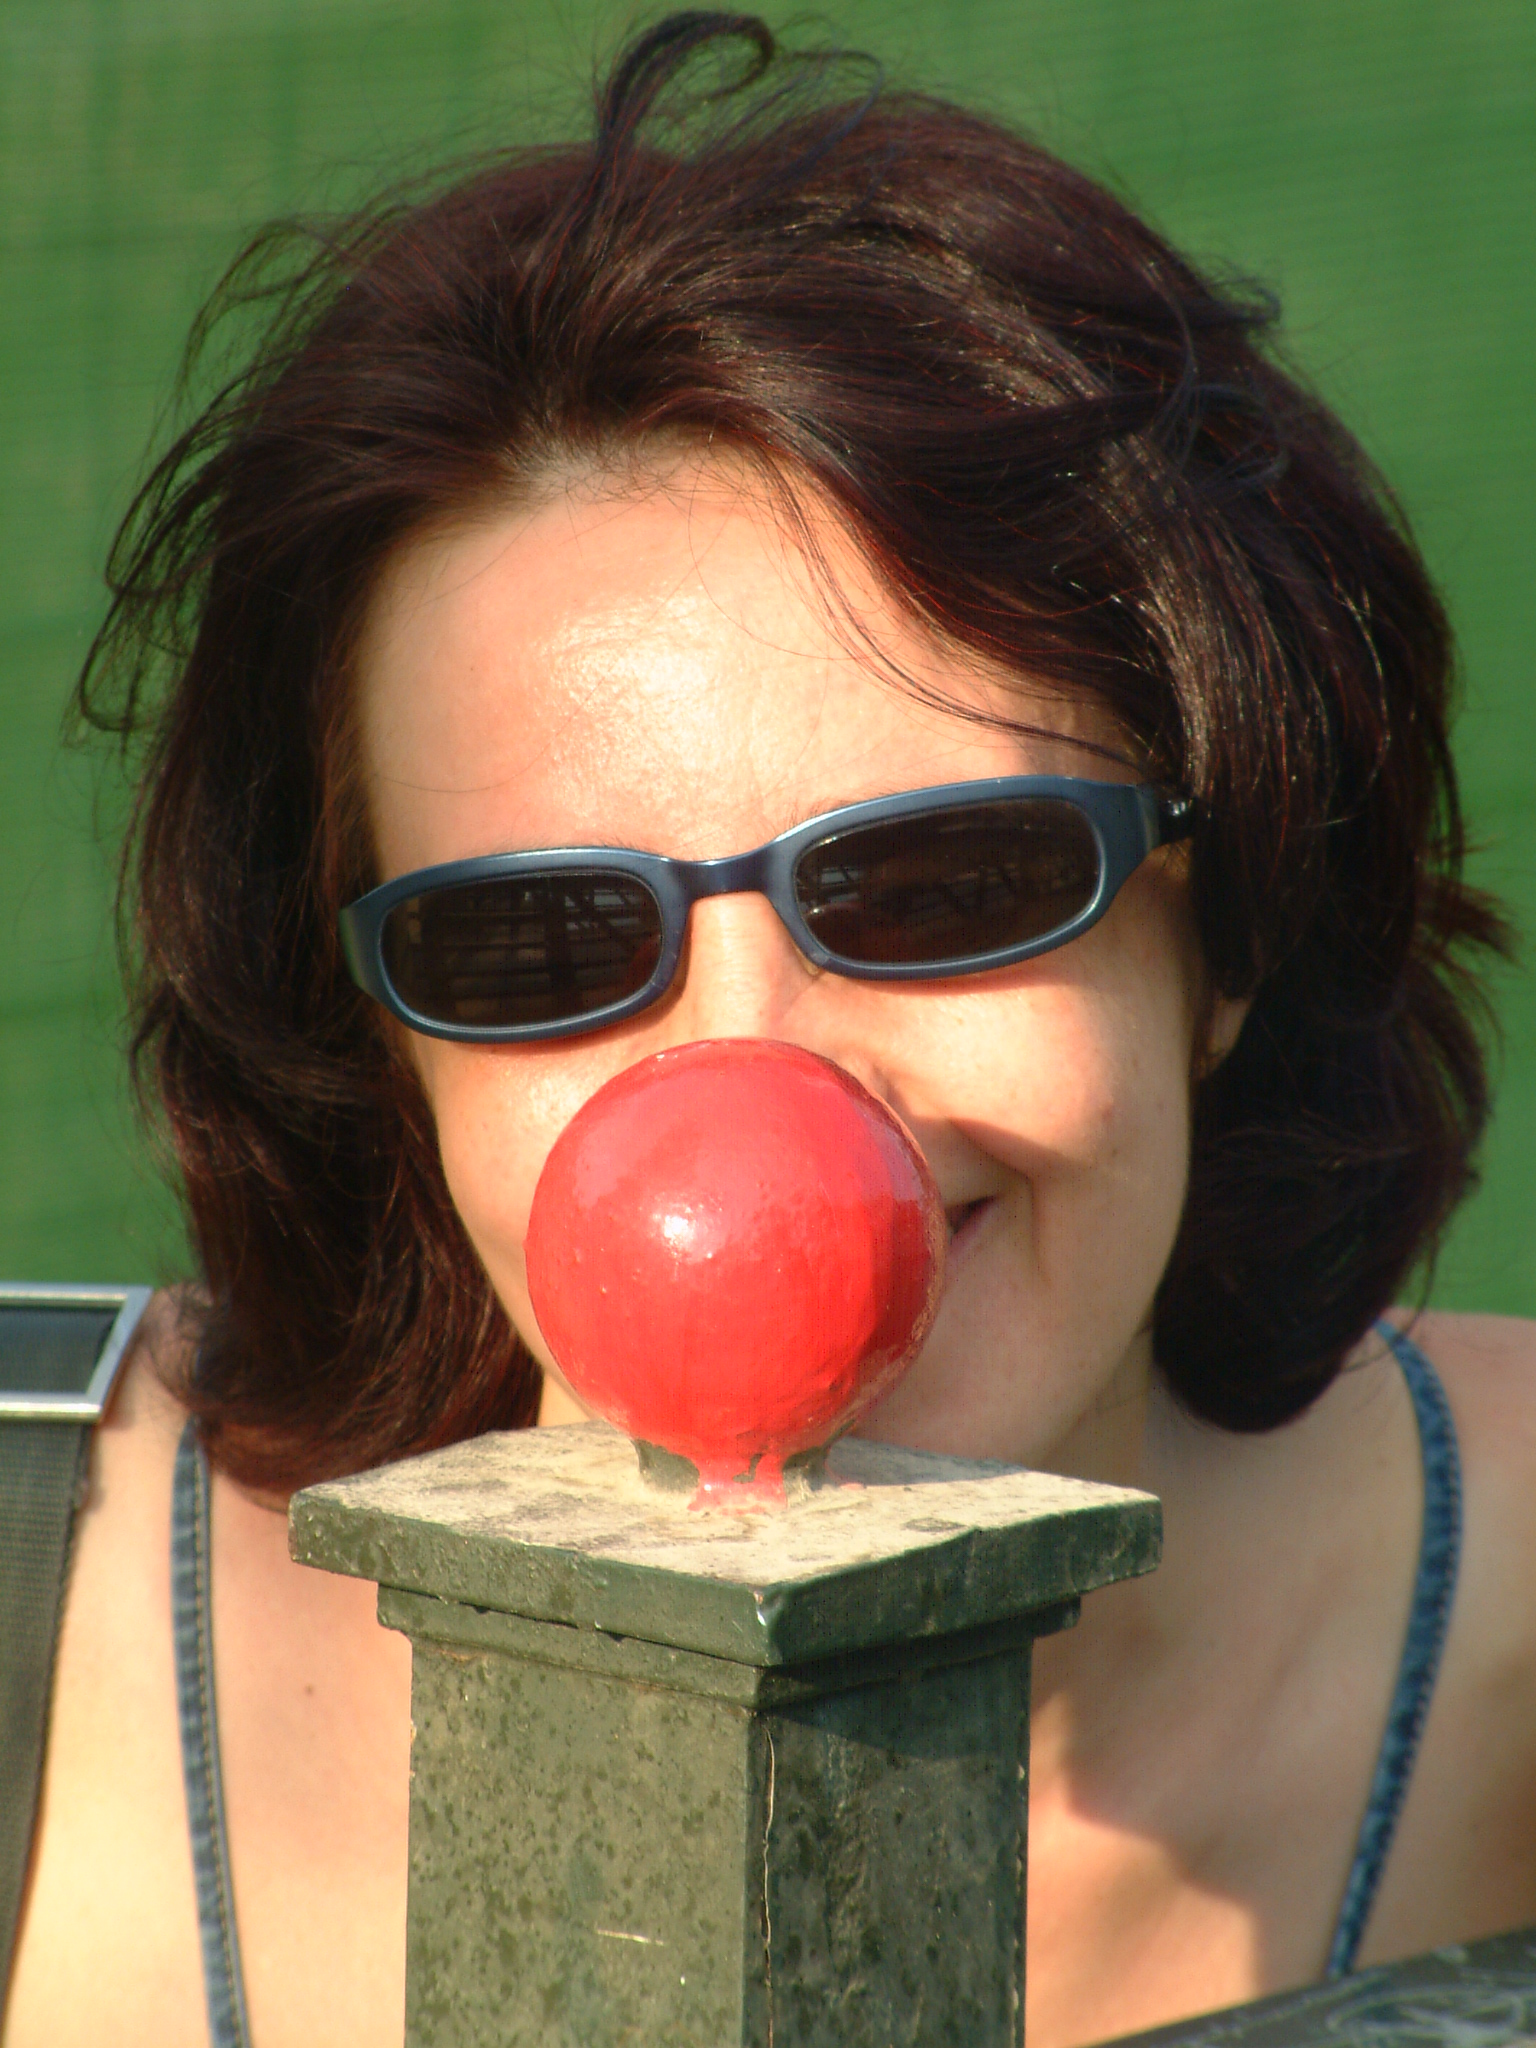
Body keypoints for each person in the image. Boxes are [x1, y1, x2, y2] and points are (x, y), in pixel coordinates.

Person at [7, 14, 1536, 2046]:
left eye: (946, 884)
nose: (762, 1090)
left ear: (1232, 919)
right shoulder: (37, 1598)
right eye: (541, 942)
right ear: (381, 1048)